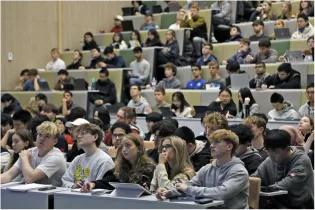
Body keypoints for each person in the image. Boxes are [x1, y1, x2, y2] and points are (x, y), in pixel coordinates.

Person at [162, 129, 249, 209]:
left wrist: (188, 189)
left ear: (229, 147)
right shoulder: (207, 168)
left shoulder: (239, 171)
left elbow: (222, 193)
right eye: (211, 142)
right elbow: (190, 184)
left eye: (216, 142)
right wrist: (168, 192)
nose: (211, 146)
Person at [252, 129, 314, 209]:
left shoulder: (301, 160)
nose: (271, 155)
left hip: (299, 205)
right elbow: (255, 178)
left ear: (287, 149)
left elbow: (286, 184)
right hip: (276, 204)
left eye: (275, 151)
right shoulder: (269, 160)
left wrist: (263, 189)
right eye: (268, 150)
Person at [81, 133, 156, 192]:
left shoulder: (150, 168)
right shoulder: (119, 167)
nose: (123, 149)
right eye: (122, 146)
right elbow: (107, 182)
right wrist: (92, 184)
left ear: (139, 148)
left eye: (128, 146)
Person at [0, 121, 67, 186]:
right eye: (40, 135)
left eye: (47, 136)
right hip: (33, 194)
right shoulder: (30, 152)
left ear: (55, 141)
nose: (42, 139)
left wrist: (25, 159)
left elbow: (29, 179)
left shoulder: (56, 157)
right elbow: (9, 175)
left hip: (53, 195)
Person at [62, 123, 115, 188]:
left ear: (95, 137)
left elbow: (101, 186)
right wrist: (74, 185)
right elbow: (65, 180)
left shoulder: (104, 160)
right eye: (78, 134)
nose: (78, 136)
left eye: (83, 133)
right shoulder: (78, 159)